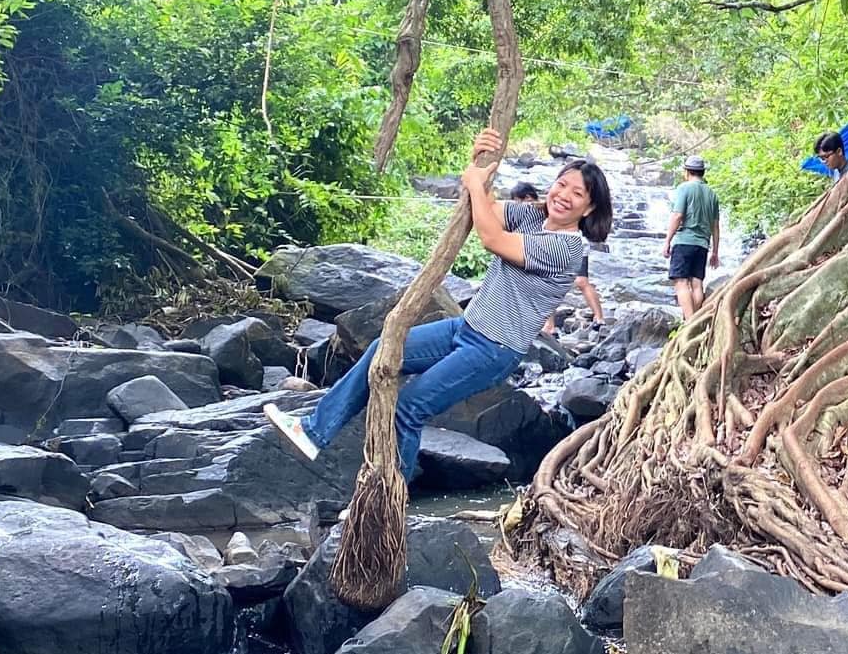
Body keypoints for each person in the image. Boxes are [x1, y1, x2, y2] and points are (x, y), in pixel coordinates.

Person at [263, 128, 612, 478]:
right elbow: (483, 207)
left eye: (577, 193)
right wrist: (479, 159)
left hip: (494, 349)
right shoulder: (534, 216)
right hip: (466, 326)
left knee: (409, 407)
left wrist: (476, 182)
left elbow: (492, 238)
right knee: (382, 351)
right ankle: (313, 431)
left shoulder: (568, 248)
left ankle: (390, 497)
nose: (564, 195)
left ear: (589, 207)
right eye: (562, 184)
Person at [510, 181, 605, 326]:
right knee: (550, 282)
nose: (520, 205)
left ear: (529, 197)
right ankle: (550, 326)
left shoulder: (545, 209)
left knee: (580, 282)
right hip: (566, 246)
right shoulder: (536, 212)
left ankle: (599, 317)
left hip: (571, 245)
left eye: (522, 200)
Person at [663, 155, 720, 319]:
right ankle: (694, 320)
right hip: (702, 244)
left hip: (684, 242)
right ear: (703, 172)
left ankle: (688, 323)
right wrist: (715, 252)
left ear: (687, 171)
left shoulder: (684, 188)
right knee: (697, 284)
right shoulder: (712, 194)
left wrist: (667, 241)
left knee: (681, 283)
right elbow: (715, 226)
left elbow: (677, 215)